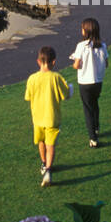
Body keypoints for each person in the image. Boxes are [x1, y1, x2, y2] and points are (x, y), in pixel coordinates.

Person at [24, 45, 73, 185]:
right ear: (54, 62)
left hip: (37, 118)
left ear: (38, 61)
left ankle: (43, 163)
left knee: (41, 142)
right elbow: (65, 95)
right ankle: (48, 170)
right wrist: (70, 89)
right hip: (52, 118)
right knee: (50, 145)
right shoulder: (56, 77)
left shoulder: (32, 78)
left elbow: (28, 97)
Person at [70, 16, 109, 147]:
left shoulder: (81, 46)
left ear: (85, 31)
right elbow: (106, 63)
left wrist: (75, 64)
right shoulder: (102, 45)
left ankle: (93, 138)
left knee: (87, 109)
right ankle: (96, 127)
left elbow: (76, 65)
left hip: (85, 82)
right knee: (94, 104)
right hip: (98, 81)